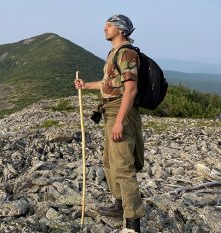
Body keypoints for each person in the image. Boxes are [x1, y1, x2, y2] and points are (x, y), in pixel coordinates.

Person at [74, 14, 144, 232]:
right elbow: (109, 84)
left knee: (123, 165)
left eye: (110, 25)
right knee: (109, 162)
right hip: (110, 110)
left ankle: (132, 223)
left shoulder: (127, 53)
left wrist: (119, 122)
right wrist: (86, 85)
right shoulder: (113, 53)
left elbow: (130, 90)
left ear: (121, 29)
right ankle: (120, 204)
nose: (105, 28)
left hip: (120, 111)